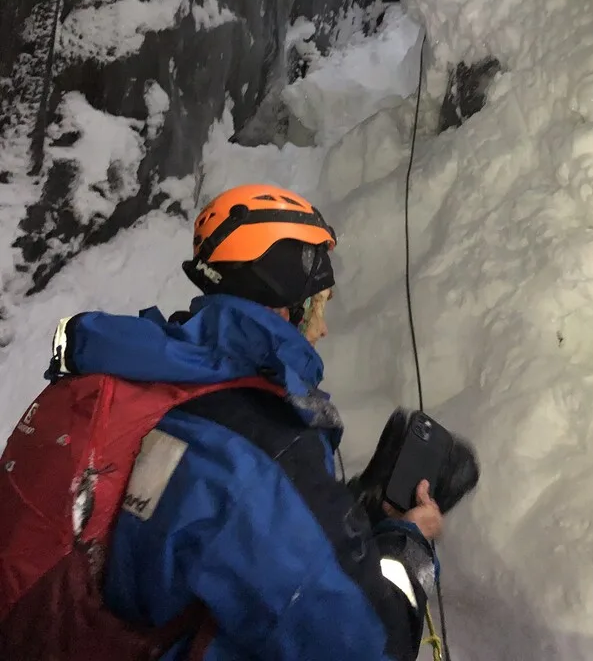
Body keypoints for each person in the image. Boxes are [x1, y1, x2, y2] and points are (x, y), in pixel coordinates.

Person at [46, 183, 443, 660]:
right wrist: (408, 544)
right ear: (283, 305)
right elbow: (368, 646)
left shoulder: (146, 377)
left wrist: (342, 510)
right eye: (319, 304)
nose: (322, 328)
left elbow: (207, 522)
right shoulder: (261, 451)